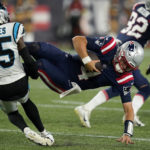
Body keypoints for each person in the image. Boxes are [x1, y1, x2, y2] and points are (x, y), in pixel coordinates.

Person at [25, 34, 144, 144]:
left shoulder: (125, 79)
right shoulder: (109, 45)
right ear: (120, 52)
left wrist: (127, 132)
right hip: (67, 61)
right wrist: (87, 60)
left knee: (40, 64)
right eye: (123, 62)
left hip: (68, 82)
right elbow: (78, 39)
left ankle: (13, 78)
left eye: (128, 67)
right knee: (36, 47)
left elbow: (129, 109)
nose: (123, 68)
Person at [75, 0, 150, 128]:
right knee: (145, 88)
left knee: (118, 85)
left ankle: (86, 108)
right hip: (130, 52)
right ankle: (130, 115)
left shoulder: (139, 5)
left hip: (119, 43)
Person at [0, 3, 54, 146]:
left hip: (1, 87)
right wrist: (34, 72)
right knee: (25, 101)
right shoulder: (14, 28)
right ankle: (43, 132)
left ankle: (25, 129)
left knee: (11, 113)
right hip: (19, 81)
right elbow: (27, 57)